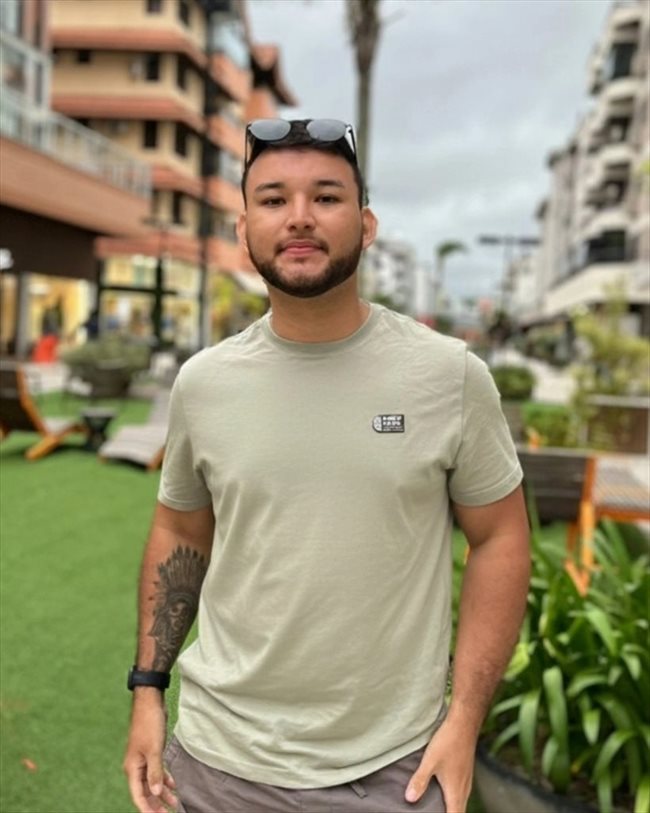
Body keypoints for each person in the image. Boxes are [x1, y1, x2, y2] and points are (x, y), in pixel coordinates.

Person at [123, 118, 531, 813]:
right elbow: (181, 531)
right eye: (274, 199)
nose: (300, 217)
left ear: (366, 226)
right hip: (216, 764)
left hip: (391, 770)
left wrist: (464, 720)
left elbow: (500, 538)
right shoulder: (204, 383)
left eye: (326, 197)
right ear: (243, 229)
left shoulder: (448, 376)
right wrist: (147, 688)